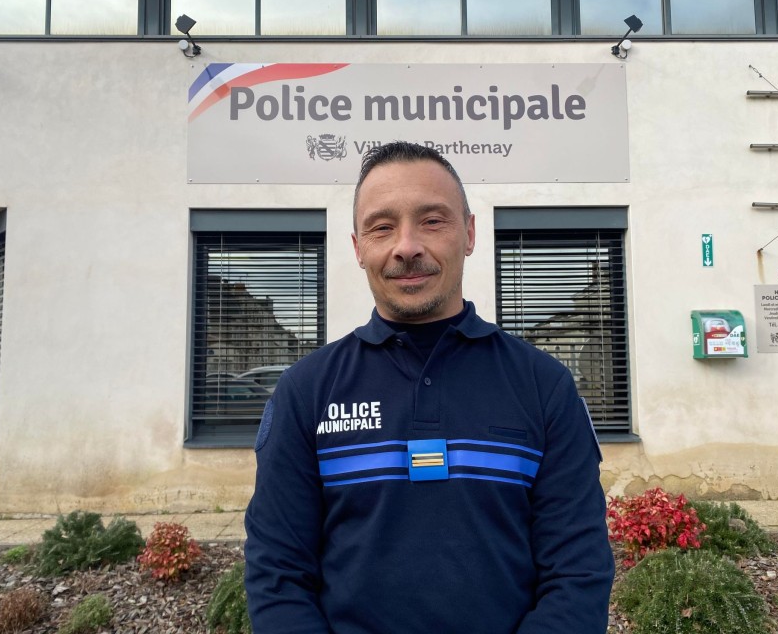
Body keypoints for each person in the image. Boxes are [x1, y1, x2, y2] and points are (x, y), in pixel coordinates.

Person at [244, 141, 615, 634]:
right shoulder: (306, 392)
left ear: (470, 233)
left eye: (432, 220)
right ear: (358, 248)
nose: (407, 246)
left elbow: (578, 573)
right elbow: (278, 576)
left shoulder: (545, 386)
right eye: (382, 227)